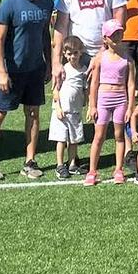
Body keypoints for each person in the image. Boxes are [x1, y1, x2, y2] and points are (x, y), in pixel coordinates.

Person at [0, 0, 54, 183]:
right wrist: (2, 72)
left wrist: (49, 65)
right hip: (11, 71)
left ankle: (30, 161)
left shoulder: (46, 3)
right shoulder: (11, 3)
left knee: (33, 113)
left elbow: (45, 36)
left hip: (35, 69)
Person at [84, 20, 135, 186]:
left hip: (120, 98)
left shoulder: (127, 58)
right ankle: (92, 171)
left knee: (119, 135)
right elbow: (94, 83)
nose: (117, 37)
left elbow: (131, 84)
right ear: (105, 38)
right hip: (104, 99)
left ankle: (118, 169)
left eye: (119, 33)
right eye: (113, 35)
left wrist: (130, 106)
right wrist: (92, 105)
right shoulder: (100, 58)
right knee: (99, 136)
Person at [49, 36, 88, 179]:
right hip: (62, 111)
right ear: (65, 54)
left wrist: (86, 102)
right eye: (69, 54)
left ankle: (72, 164)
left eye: (75, 53)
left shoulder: (83, 70)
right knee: (61, 139)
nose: (73, 56)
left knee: (74, 140)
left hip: (75, 111)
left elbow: (85, 89)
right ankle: (60, 165)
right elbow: (55, 90)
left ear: (81, 52)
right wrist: (58, 107)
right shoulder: (63, 69)